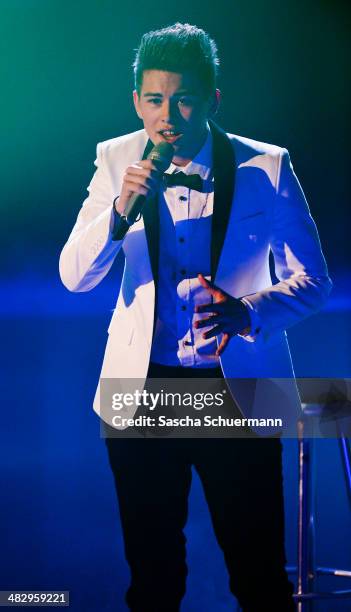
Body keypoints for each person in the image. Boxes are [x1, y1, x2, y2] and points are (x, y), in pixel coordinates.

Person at [59, 23, 332, 612]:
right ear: (136, 101)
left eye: (182, 98)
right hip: (144, 393)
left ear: (212, 97)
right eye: (154, 100)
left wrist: (248, 311)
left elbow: (315, 282)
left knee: (259, 579)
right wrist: (119, 210)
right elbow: (73, 276)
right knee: (153, 582)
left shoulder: (269, 166)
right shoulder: (115, 160)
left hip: (239, 392)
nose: (167, 117)